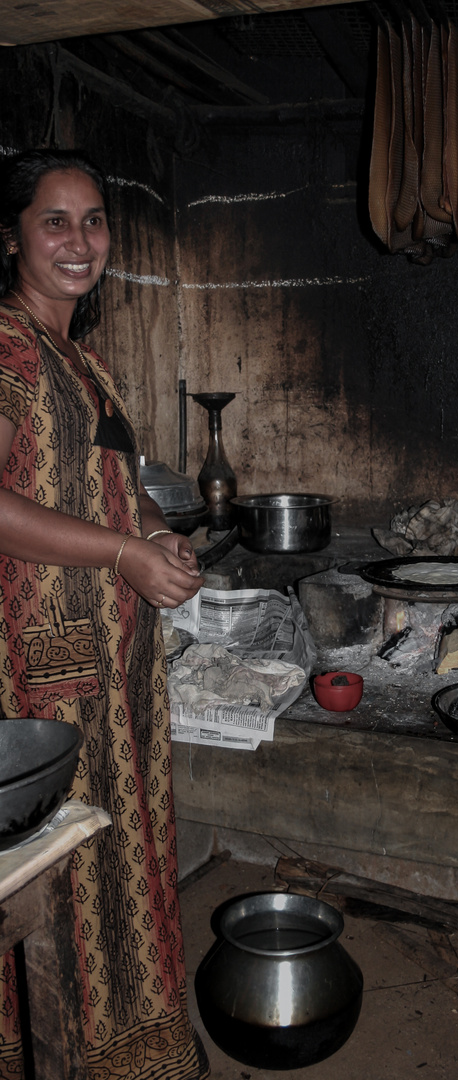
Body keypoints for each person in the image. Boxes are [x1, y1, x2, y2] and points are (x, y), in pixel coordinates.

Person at [0, 149, 209, 1079]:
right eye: (56, 220)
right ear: (11, 236)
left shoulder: (78, 356)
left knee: (116, 853)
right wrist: (126, 554)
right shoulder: (6, 347)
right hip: (39, 661)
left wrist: (157, 531)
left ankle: (129, 1041)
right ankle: (73, 1052)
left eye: (93, 221)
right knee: (69, 869)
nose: (80, 241)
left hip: (106, 657)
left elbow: (114, 483)